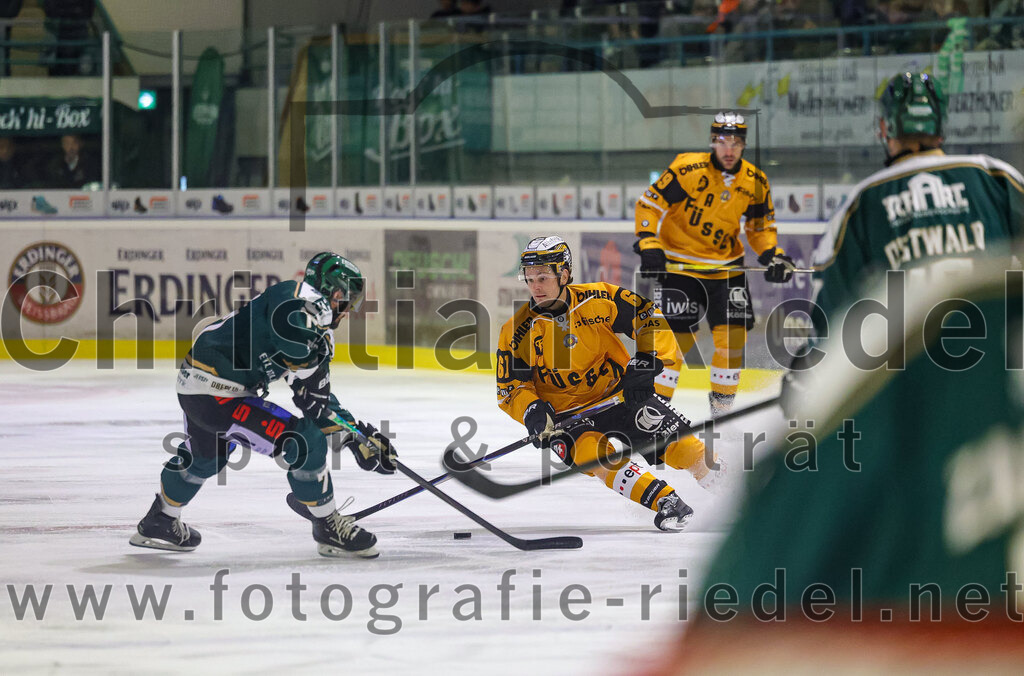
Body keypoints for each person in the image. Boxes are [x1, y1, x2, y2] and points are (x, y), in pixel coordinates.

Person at [129, 252, 398, 559]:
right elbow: (300, 358)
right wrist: (338, 419)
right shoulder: (293, 297)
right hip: (218, 394)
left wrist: (357, 436)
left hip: (198, 389)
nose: (347, 310)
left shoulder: (318, 330)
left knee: (206, 458)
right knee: (306, 441)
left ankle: (160, 520)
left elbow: (316, 400)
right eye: (346, 300)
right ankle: (328, 527)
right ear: (333, 292)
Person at [495, 236, 726, 532]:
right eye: (529, 279)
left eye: (543, 278)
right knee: (595, 458)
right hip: (566, 418)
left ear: (563, 275)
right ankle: (665, 501)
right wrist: (533, 411)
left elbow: (648, 317)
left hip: (620, 395)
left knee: (686, 449)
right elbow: (511, 388)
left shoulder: (599, 299)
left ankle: (741, 494)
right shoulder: (517, 331)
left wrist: (648, 358)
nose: (535, 287)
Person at [808, 71, 1024, 337]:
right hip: (996, 358)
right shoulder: (996, 177)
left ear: (885, 128)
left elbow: (826, 321)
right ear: (941, 126)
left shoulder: (862, 203)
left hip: (910, 360)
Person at [633, 112, 794, 419]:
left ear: (744, 145)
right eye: (722, 141)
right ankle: (652, 417)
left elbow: (760, 227)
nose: (729, 149)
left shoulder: (755, 181)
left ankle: (721, 413)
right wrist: (648, 241)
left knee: (733, 342)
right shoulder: (687, 169)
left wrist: (773, 254)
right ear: (712, 142)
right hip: (680, 267)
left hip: (726, 270)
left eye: (736, 142)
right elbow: (649, 205)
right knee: (674, 345)